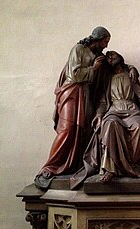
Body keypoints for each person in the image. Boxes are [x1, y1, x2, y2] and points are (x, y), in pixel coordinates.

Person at [34, 26, 111, 189]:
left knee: (82, 132)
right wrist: (93, 68)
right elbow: (75, 74)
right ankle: (48, 169)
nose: (106, 45)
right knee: (67, 129)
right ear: (97, 39)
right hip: (71, 91)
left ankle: (72, 166)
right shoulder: (78, 49)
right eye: (105, 41)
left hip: (84, 95)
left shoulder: (97, 56)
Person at [70, 51, 140, 188]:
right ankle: (110, 168)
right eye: (107, 57)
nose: (110, 57)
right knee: (110, 124)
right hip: (114, 109)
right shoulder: (107, 79)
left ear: (120, 57)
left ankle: (132, 166)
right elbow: (102, 102)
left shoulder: (130, 75)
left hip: (131, 109)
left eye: (112, 54)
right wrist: (99, 114)